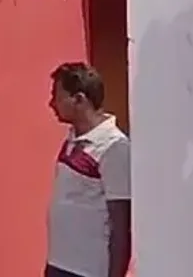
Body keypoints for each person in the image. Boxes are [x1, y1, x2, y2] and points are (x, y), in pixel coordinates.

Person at [46, 62, 131, 277]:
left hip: (88, 271)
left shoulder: (114, 148)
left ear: (79, 99)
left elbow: (121, 226)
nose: (51, 104)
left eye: (57, 96)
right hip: (59, 264)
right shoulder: (73, 139)